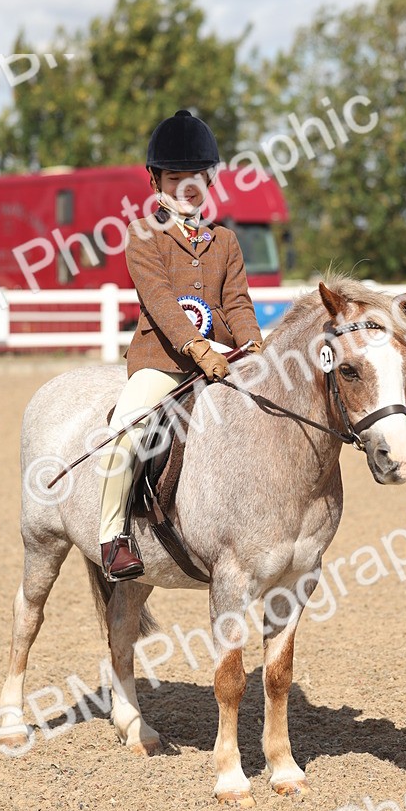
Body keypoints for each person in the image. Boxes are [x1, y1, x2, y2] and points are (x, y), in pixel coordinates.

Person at [99, 108, 263, 580]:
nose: (186, 187)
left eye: (196, 177)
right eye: (175, 177)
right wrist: (198, 349)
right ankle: (113, 537)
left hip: (221, 364)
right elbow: (162, 303)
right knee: (126, 430)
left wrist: (253, 347)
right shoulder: (143, 236)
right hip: (162, 364)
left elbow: (236, 302)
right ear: (156, 182)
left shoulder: (225, 241)